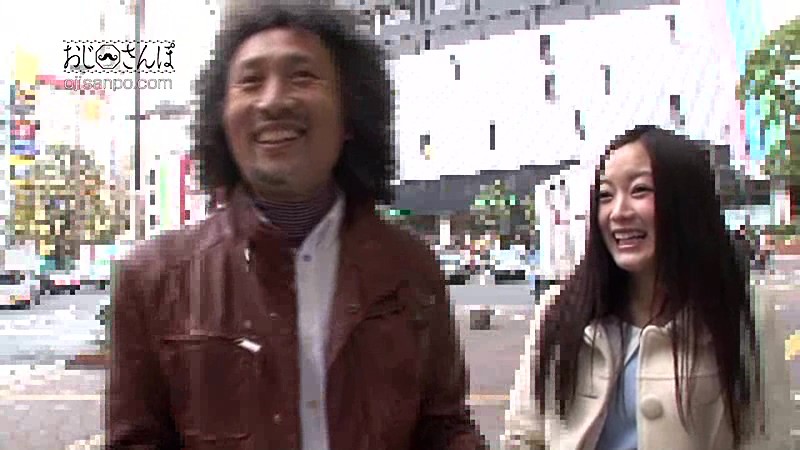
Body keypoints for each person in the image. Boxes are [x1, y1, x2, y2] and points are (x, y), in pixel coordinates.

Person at [107, 2, 485, 449]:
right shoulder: (152, 280)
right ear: (222, 121)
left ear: (350, 116)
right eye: (250, 81)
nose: (272, 101)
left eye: (302, 76)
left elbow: (444, 427)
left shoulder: (411, 268)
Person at [502, 125, 781, 449]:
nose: (618, 212)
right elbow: (524, 436)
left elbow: (767, 439)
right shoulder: (560, 310)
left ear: (686, 203)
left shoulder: (741, 314)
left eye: (640, 190)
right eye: (606, 196)